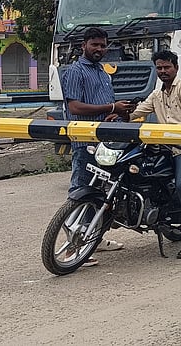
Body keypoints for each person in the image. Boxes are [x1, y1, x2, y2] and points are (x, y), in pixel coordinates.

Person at [59, 27, 134, 260]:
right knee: (80, 191)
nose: (99, 49)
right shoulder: (75, 71)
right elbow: (75, 107)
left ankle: (93, 239)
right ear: (84, 46)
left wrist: (114, 115)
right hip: (85, 142)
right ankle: (74, 246)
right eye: (95, 45)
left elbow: (104, 106)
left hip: (106, 143)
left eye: (103, 45)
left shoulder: (103, 72)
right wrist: (112, 108)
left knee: (101, 193)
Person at [126, 50, 181, 259]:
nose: (162, 71)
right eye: (159, 68)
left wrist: (170, 132)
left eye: (166, 67)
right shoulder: (157, 93)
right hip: (163, 146)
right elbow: (139, 111)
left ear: (175, 67)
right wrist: (120, 114)